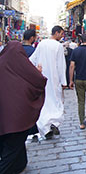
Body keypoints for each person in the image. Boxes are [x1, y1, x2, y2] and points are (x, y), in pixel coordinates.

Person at [0, 41, 46, 173]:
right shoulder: (22, 66)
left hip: (3, 118)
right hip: (17, 119)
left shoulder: (3, 62)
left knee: (9, 146)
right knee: (11, 150)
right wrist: (39, 72)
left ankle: (20, 165)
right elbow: (38, 81)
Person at [29, 25, 67, 140]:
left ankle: (45, 128)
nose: (62, 36)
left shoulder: (42, 44)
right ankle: (54, 124)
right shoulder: (58, 46)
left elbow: (32, 59)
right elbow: (61, 65)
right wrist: (63, 81)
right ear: (56, 33)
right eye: (61, 34)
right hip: (54, 79)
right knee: (56, 103)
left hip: (42, 79)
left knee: (45, 103)